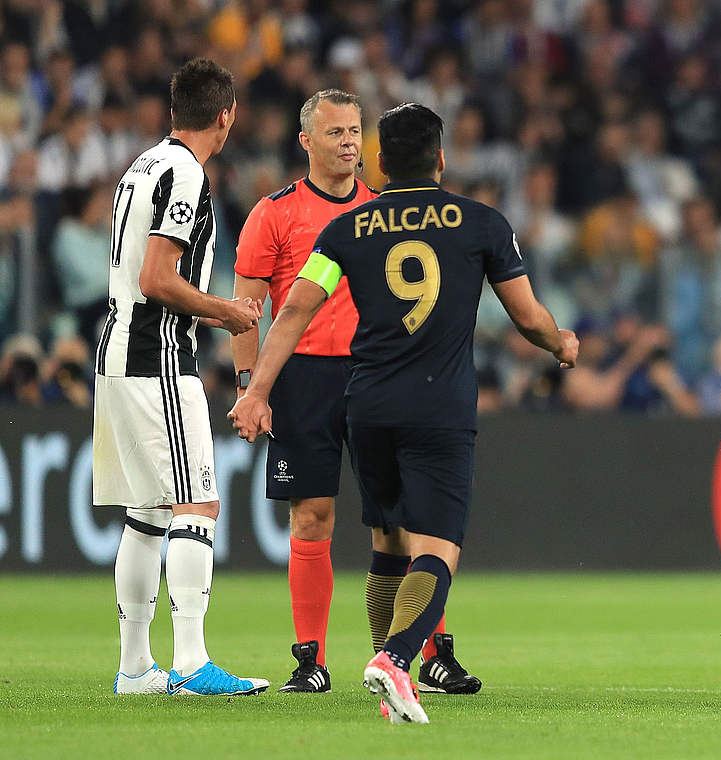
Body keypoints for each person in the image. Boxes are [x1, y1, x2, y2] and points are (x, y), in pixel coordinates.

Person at [229, 103, 578, 723]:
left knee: (387, 540)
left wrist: (255, 390)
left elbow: (292, 313)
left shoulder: (346, 229)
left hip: (367, 405)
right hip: (437, 407)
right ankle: (394, 659)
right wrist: (560, 342)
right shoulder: (483, 223)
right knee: (437, 547)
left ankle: (393, 686)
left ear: (379, 162)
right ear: (441, 159)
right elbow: (527, 318)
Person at [231, 88, 478, 696]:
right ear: (306, 141)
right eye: (336, 132)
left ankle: (427, 653)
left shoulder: (382, 211)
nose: (348, 143)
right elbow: (249, 310)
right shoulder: (275, 213)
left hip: (377, 374)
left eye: (354, 132)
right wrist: (250, 387)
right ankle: (310, 658)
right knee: (312, 514)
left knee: (402, 521)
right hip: (305, 378)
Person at [93, 58, 269, 697]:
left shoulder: (140, 167)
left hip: (116, 349)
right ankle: (192, 664)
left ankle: (136, 668)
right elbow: (158, 278)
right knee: (197, 503)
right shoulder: (188, 175)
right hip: (156, 354)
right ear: (226, 116)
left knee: (146, 512)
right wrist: (226, 311)